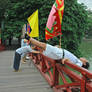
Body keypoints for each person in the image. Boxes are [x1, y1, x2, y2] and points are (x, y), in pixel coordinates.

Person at [25, 36, 90, 69]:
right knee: (42, 48)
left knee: (43, 45)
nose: (84, 58)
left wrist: (67, 60)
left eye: (85, 59)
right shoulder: (78, 60)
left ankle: (28, 38)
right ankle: (29, 40)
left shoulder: (80, 63)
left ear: (84, 63)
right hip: (60, 53)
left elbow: (75, 67)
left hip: (60, 54)